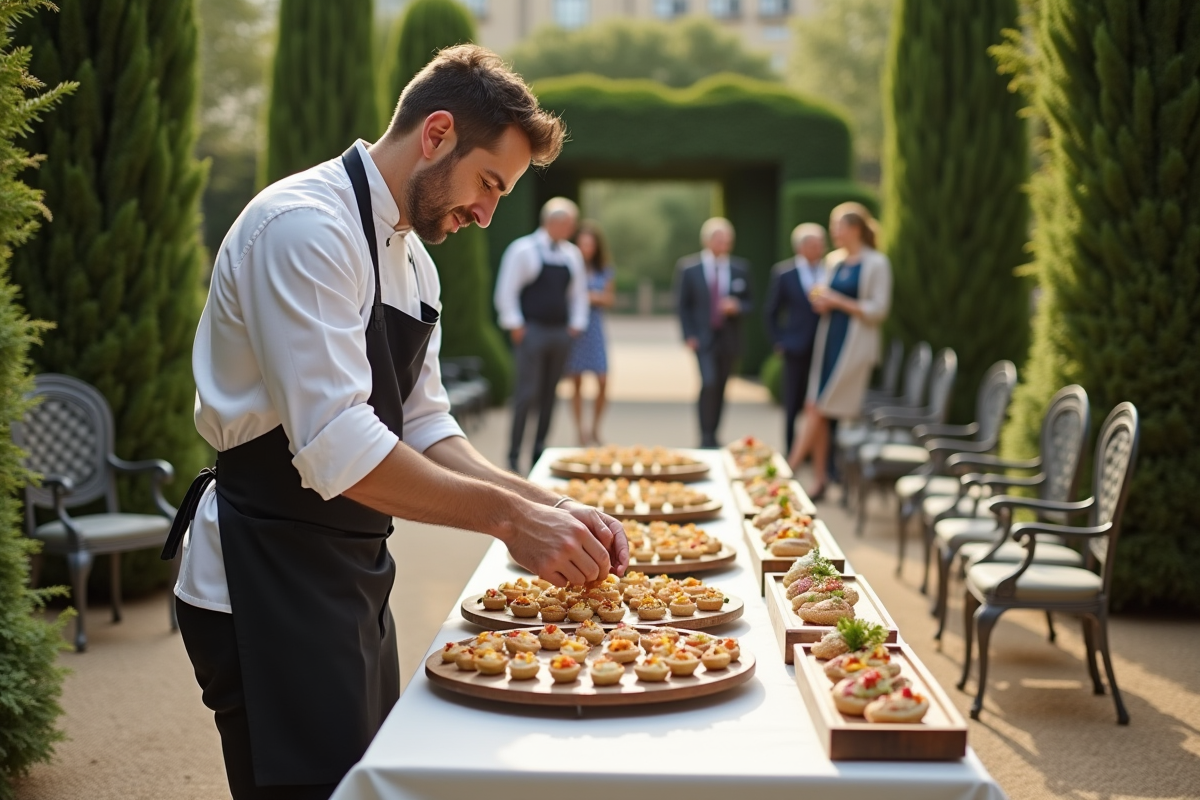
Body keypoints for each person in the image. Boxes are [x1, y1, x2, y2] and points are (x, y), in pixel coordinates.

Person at [164, 45, 628, 800]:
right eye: (488, 183)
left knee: (365, 784)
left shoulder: (415, 261)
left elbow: (425, 427)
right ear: (437, 132)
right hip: (262, 571)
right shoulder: (303, 229)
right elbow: (338, 447)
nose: (485, 213)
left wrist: (552, 506)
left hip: (353, 568)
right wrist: (513, 521)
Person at [787, 202, 892, 499]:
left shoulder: (876, 263)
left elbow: (879, 310)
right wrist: (822, 302)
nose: (834, 232)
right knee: (816, 408)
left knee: (819, 408)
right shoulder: (834, 261)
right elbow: (829, 302)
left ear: (855, 229)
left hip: (855, 348)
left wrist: (837, 301)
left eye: (838, 226)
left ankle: (788, 469)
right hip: (830, 341)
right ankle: (819, 480)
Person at [494, 197, 589, 473]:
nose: (571, 229)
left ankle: (538, 450)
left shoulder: (571, 254)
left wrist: (575, 325)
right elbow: (507, 290)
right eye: (567, 223)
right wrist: (516, 325)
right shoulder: (523, 250)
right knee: (526, 393)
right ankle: (513, 454)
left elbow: (578, 294)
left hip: (560, 333)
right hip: (533, 331)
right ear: (552, 222)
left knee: (551, 394)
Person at [676, 217, 753, 448]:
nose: (724, 244)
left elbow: (751, 302)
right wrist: (689, 334)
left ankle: (714, 433)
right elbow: (683, 305)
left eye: (728, 240)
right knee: (708, 382)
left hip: (729, 337)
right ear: (708, 240)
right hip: (703, 338)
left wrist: (737, 306)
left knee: (721, 386)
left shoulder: (740, 268)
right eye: (720, 239)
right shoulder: (689, 268)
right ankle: (704, 435)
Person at [765, 223, 826, 454]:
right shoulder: (785, 273)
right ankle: (792, 451)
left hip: (823, 346)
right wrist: (779, 341)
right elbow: (771, 311)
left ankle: (819, 453)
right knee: (792, 402)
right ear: (800, 247)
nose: (819, 248)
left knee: (821, 403)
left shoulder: (829, 269)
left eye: (821, 243)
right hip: (796, 347)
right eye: (814, 244)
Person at [564, 220, 616, 445]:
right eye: (583, 243)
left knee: (603, 380)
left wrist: (589, 297)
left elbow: (608, 298)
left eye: (590, 244)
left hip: (594, 328)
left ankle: (595, 427)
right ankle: (579, 430)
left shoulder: (604, 269)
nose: (586, 248)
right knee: (575, 382)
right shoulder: (569, 264)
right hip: (575, 328)